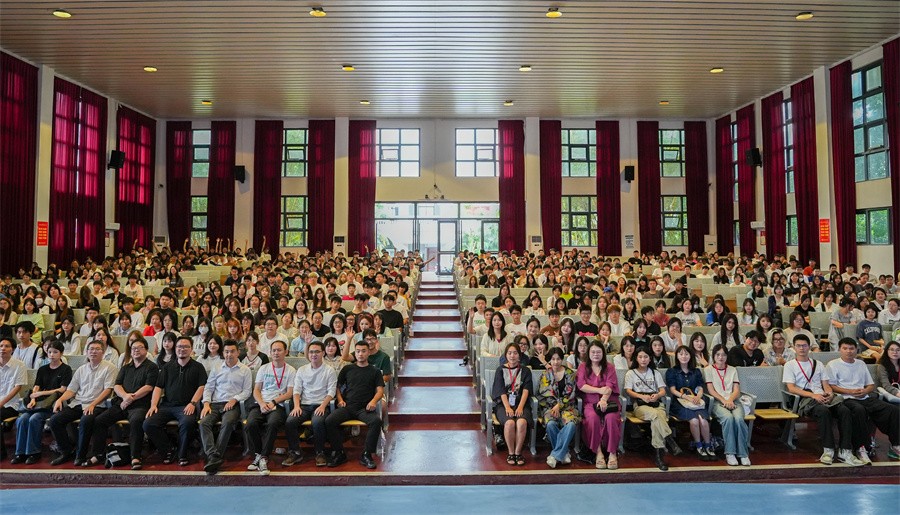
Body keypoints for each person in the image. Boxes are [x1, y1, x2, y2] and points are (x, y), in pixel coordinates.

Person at [783, 334, 864, 466]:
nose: (802, 348)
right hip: (805, 399)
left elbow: (826, 384)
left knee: (844, 410)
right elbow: (791, 388)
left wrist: (830, 394)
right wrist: (813, 396)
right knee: (823, 411)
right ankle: (828, 450)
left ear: (809, 347)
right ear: (794, 347)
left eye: (804, 345)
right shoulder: (790, 365)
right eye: (798, 346)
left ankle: (845, 450)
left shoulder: (818, 364)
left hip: (822, 396)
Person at [823, 338, 900, 463]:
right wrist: (850, 391)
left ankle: (896, 445)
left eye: (851, 348)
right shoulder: (832, 364)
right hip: (845, 398)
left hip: (864, 397)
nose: (849, 351)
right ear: (839, 349)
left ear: (856, 350)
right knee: (859, 410)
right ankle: (861, 448)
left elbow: (870, 385)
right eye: (845, 348)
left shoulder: (861, 364)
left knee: (893, 410)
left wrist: (865, 391)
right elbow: (831, 386)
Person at [90, 335, 159, 469]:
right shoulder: (126, 367)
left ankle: (135, 456)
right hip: (121, 403)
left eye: (139, 348)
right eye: (133, 348)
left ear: (146, 350)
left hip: (140, 405)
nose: (136, 350)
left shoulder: (152, 367)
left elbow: (148, 387)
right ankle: (98, 454)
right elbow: (117, 385)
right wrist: (125, 396)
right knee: (99, 420)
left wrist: (130, 398)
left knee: (136, 421)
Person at [47, 340, 117, 466]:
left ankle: (81, 455)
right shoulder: (81, 369)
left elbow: (108, 390)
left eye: (97, 349)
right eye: (91, 349)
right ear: (86, 352)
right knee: (54, 420)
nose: (93, 352)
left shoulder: (109, 367)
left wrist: (93, 404)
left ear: (103, 352)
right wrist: (60, 399)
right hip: (78, 403)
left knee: (86, 420)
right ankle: (66, 451)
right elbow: (71, 390)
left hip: (97, 404)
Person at [143, 336, 208, 466]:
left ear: (191, 349)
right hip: (167, 405)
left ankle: (182, 454)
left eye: (185, 347)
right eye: (179, 346)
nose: (182, 349)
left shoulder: (198, 367)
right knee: (148, 424)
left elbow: (202, 387)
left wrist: (193, 403)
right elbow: (158, 387)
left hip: (186, 406)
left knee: (187, 423)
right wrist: (153, 405)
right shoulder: (167, 367)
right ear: (175, 348)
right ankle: (169, 450)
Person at [325, 340, 384, 469]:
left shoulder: (375, 371)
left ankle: (367, 454)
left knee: (376, 422)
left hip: (364, 408)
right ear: (355, 353)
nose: (360, 354)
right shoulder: (347, 368)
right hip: (348, 406)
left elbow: (380, 390)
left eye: (363, 351)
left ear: (368, 353)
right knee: (330, 420)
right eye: (358, 351)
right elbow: (337, 387)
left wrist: (373, 401)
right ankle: (339, 452)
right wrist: (340, 399)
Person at [11, 339, 71, 464]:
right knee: (22, 419)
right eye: (50, 352)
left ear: (61, 353)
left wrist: (42, 393)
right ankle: (20, 453)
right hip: (40, 403)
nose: (52, 355)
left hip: (54, 404)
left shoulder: (66, 369)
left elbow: (62, 389)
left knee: (35, 418)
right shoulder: (43, 369)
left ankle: (34, 452)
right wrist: (33, 398)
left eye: (55, 352)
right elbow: (37, 386)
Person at [199, 339, 252, 475]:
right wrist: (206, 403)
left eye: (232, 351)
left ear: (238, 352)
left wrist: (235, 399)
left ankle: (214, 457)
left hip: (232, 404)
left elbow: (247, 391)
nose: (229, 354)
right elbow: (209, 387)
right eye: (227, 352)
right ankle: (213, 455)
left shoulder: (245, 370)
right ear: (223, 353)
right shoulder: (217, 368)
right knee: (204, 423)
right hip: (215, 403)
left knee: (227, 422)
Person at [624, 346, 681, 470]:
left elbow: (662, 390)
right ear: (636, 358)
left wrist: (657, 396)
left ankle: (659, 457)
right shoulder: (631, 373)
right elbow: (628, 391)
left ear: (650, 359)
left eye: (646, 357)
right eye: (640, 357)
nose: (643, 359)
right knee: (656, 415)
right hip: (640, 406)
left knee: (656, 418)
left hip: (656, 404)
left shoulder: (655, 372)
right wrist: (641, 396)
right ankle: (670, 441)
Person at [246, 340, 295, 476]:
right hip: (261, 404)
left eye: (279, 350)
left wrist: (274, 402)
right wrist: (262, 403)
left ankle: (264, 457)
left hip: (278, 405)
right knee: (250, 423)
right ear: (270, 352)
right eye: (274, 350)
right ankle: (258, 454)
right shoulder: (264, 368)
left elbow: (290, 393)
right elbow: (256, 390)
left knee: (272, 424)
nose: (276, 353)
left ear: (286, 352)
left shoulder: (291, 370)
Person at [284, 340, 337, 467]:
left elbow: (331, 391)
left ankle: (320, 452)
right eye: (311, 352)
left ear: (323, 353)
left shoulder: (329, 370)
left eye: (317, 352)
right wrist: (296, 406)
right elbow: (296, 391)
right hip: (304, 405)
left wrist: (323, 406)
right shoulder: (302, 370)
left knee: (317, 422)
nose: (314, 354)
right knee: (290, 421)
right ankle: (295, 452)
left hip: (321, 404)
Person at [576, 341, 621, 470]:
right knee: (592, 418)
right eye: (593, 352)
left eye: (598, 352)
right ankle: (598, 452)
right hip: (590, 402)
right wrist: (599, 390)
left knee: (611, 418)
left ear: (603, 353)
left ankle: (612, 453)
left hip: (609, 401)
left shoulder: (610, 367)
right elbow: (581, 386)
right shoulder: (583, 367)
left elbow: (610, 385)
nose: (596, 354)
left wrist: (604, 399)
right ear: (588, 353)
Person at [705, 343, 751, 466]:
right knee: (728, 418)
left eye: (724, 355)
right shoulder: (708, 370)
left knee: (739, 419)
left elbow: (736, 390)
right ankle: (730, 453)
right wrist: (724, 401)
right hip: (717, 402)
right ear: (713, 356)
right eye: (718, 355)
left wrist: (730, 400)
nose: (721, 357)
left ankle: (743, 454)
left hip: (734, 400)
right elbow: (711, 390)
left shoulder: (732, 369)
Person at [666, 345, 714, 460]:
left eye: (686, 354)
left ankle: (708, 446)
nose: (684, 356)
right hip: (680, 402)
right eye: (681, 354)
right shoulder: (672, 371)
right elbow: (673, 390)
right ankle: (699, 446)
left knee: (703, 421)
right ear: (677, 356)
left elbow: (700, 387)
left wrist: (698, 396)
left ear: (690, 356)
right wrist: (686, 397)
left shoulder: (696, 371)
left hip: (696, 401)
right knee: (694, 421)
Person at [537, 347, 580, 468]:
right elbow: (543, 394)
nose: (556, 362)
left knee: (571, 424)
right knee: (550, 424)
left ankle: (555, 455)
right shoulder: (545, 374)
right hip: (550, 408)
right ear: (549, 360)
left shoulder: (569, 373)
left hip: (567, 407)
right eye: (553, 359)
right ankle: (564, 453)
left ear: (562, 359)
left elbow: (570, 394)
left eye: (558, 359)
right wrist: (554, 406)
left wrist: (559, 405)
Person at [492, 342, 533, 467]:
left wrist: (520, 407)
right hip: (503, 404)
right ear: (506, 355)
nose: (512, 356)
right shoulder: (500, 370)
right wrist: (508, 407)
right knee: (509, 423)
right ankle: (510, 452)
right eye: (509, 353)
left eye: (515, 353)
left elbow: (526, 390)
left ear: (519, 355)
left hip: (521, 403)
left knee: (521, 422)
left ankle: (518, 452)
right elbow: (500, 391)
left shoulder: (526, 370)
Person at [1, 336, 28, 461]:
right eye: (1, 346)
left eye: (6, 346)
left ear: (12, 349)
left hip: (11, 405)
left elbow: (18, 387)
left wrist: (1, 402)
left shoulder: (19, 365)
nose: (3, 348)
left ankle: (1, 453)